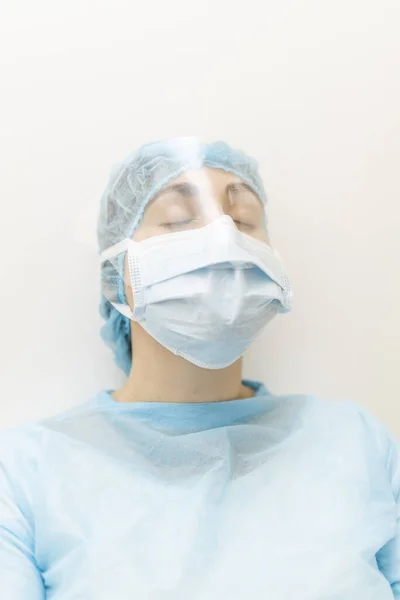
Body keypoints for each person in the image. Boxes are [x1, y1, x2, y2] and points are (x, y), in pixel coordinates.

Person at [0, 138, 399, 599]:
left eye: (244, 220)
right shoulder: (28, 470)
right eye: (178, 220)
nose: (223, 239)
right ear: (116, 274)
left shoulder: (356, 442)